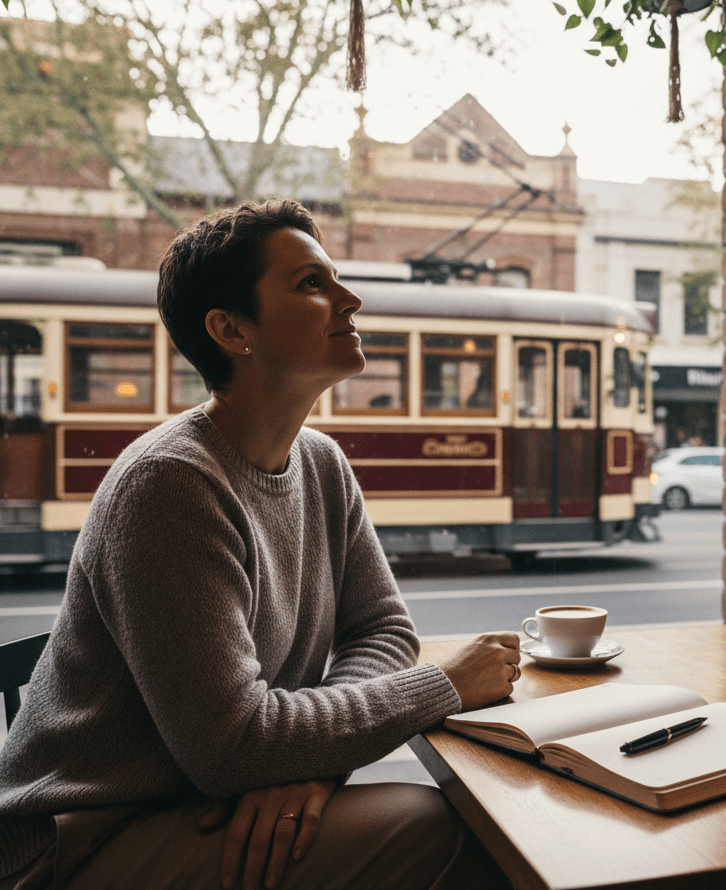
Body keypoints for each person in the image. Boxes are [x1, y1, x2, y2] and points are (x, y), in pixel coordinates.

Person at [0, 199, 522, 890]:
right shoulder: (168, 485)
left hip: (194, 800)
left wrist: (308, 765)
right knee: (449, 830)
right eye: (312, 283)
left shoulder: (322, 462)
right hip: (80, 840)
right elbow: (235, 746)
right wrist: (445, 685)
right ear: (230, 329)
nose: (351, 298)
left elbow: (383, 628)